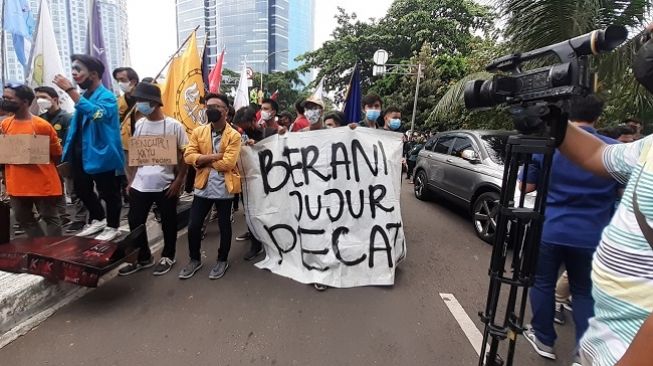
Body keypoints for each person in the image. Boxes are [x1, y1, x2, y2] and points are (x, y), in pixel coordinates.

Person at [549, 24, 653, 365]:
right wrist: (552, 122)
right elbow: (597, 156)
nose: (648, 30)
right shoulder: (647, 148)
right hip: (602, 344)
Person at [520, 95, 621, 363]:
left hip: (551, 229)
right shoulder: (612, 149)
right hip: (593, 236)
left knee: (542, 282)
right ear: (598, 115)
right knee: (585, 293)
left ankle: (543, 338)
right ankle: (584, 353)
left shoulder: (550, 146)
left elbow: (525, 187)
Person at [118, 82, 188, 276]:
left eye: (142, 100)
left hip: (166, 184)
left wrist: (179, 180)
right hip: (140, 185)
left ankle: (168, 255)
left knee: (168, 221)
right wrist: (131, 180)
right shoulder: (139, 125)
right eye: (137, 100)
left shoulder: (174, 126)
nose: (139, 104)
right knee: (135, 221)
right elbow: (136, 155)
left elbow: (186, 156)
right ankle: (144, 257)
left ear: (155, 102)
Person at [55, 54, 125, 242]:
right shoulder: (85, 96)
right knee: (81, 189)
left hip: (102, 153)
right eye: (73, 69)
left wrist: (70, 90)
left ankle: (113, 226)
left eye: (78, 70)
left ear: (93, 74)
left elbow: (98, 115)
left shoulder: (107, 96)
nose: (74, 74)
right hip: (81, 153)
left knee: (109, 192)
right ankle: (99, 219)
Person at [179, 94, 241, 280]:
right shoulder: (198, 132)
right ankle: (194, 259)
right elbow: (189, 156)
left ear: (226, 111)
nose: (211, 109)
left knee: (224, 226)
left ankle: (222, 260)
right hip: (202, 187)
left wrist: (201, 160)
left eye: (216, 106)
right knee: (194, 225)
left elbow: (228, 163)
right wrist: (214, 157)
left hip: (224, 188)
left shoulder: (234, 135)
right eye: (208, 106)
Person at [1, 83, 63, 237]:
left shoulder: (42, 126)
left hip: (42, 183)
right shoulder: (5, 124)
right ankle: (40, 248)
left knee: (50, 218)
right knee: (24, 219)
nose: (5, 101)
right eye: (4, 97)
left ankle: (56, 251)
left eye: (9, 98)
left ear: (25, 102)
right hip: (16, 184)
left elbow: (56, 153)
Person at [233, 106, 279, 253]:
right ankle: (255, 242)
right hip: (248, 182)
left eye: (244, 126)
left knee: (268, 211)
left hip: (269, 182)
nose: (242, 130)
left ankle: (273, 238)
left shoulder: (270, 133)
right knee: (250, 212)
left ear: (254, 121)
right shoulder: (238, 135)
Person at [34, 86, 76, 228]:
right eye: (37, 97)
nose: (40, 101)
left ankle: (69, 216)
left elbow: (70, 139)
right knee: (51, 188)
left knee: (70, 189)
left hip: (63, 158)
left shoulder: (66, 117)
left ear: (55, 99)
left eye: (43, 97)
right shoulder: (40, 119)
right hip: (45, 159)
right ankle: (56, 215)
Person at [113, 67, 140, 205]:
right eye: (117, 80)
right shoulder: (118, 103)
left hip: (147, 145)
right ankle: (134, 202)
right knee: (131, 179)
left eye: (122, 80)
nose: (120, 83)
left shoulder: (145, 98)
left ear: (133, 81)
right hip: (127, 146)